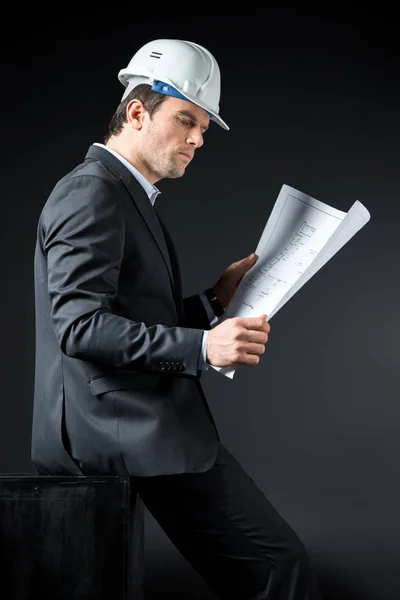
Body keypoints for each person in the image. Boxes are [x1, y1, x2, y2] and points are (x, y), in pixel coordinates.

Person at [32, 38, 322, 599]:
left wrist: (213, 301)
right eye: (186, 120)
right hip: (127, 430)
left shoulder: (124, 193)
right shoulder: (93, 192)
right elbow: (79, 326)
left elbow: (127, 313)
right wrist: (203, 349)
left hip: (133, 423)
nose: (196, 139)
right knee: (279, 569)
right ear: (137, 112)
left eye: (205, 129)